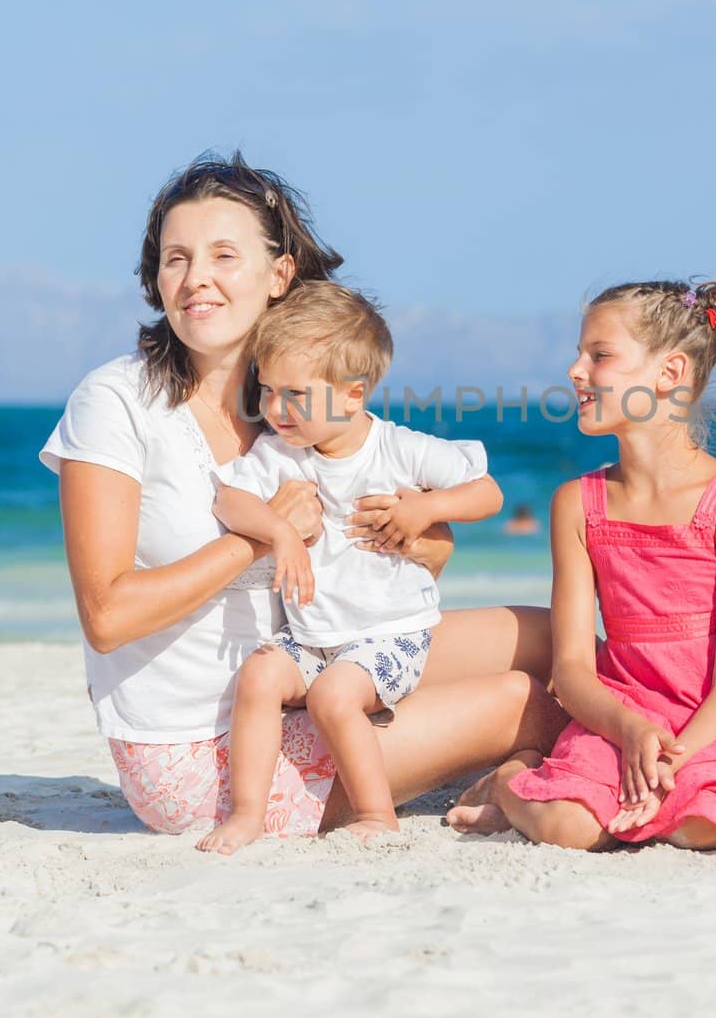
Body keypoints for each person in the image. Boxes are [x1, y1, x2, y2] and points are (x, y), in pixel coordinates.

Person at [40, 153, 561, 839]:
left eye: (224, 254)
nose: (197, 277)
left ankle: (521, 768)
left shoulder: (299, 408)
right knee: (520, 701)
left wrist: (420, 536)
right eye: (176, 258)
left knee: (553, 638)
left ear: (280, 272)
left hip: (323, 665)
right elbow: (106, 614)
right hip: (206, 751)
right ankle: (526, 762)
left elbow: (416, 557)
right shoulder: (116, 401)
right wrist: (256, 537)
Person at [449, 280, 716, 850]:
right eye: (579, 353)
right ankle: (511, 780)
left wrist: (672, 760)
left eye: (599, 355)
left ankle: (669, 783)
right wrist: (630, 728)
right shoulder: (576, 503)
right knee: (571, 829)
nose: (575, 370)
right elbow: (571, 670)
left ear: (669, 374)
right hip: (630, 706)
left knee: (706, 823)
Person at [198, 281, 504, 851]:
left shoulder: (398, 449)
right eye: (265, 390)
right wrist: (279, 531)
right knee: (260, 675)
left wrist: (428, 508)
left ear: (350, 395)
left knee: (334, 697)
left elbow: (487, 493)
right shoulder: (280, 451)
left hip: (390, 635)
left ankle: (375, 813)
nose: (273, 409)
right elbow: (229, 500)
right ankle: (246, 813)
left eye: (293, 393)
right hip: (314, 635)